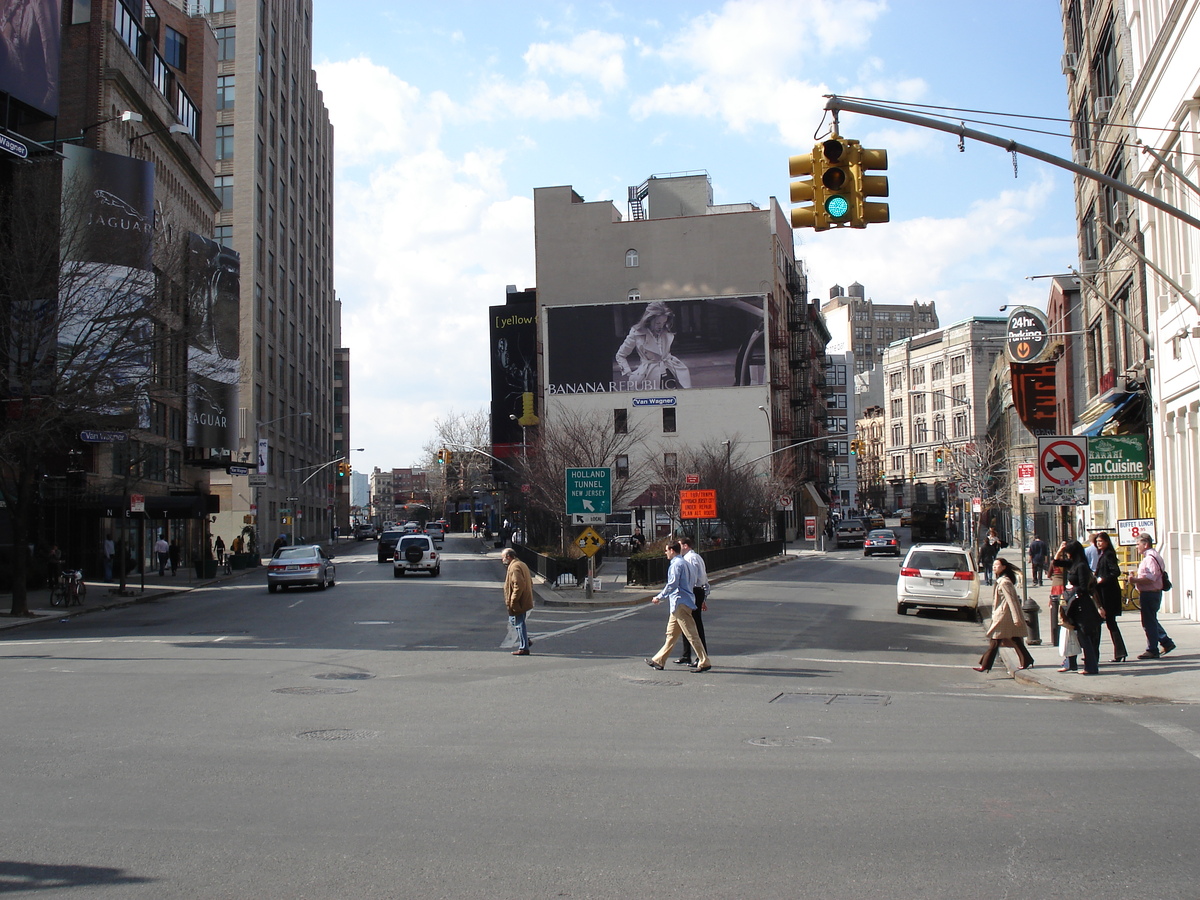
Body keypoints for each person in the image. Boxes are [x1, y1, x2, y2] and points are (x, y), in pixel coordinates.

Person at [645, 541, 710, 673]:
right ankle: (659, 660)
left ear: (672, 550)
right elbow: (693, 582)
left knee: (692, 634)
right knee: (671, 635)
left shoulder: (676, 564)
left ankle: (704, 661)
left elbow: (672, 584)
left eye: (666, 550)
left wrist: (659, 596)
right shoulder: (686, 563)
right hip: (681, 603)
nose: (665, 553)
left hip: (680, 603)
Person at [974, 557, 1035, 672]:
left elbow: (1012, 601)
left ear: (1003, 567)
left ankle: (985, 665)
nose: (994, 567)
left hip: (1004, 615)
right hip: (1004, 614)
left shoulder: (1005, 582)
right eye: (993, 565)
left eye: (996, 565)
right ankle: (1027, 660)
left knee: (995, 640)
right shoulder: (1001, 580)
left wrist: (1017, 618)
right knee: (1015, 638)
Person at [615, 301, 692, 390]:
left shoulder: (665, 330)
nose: (661, 326)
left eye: (664, 322)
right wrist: (628, 372)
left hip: (671, 371)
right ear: (649, 319)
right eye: (658, 323)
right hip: (648, 375)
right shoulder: (636, 333)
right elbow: (620, 355)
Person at [1128, 533, 1176, 660]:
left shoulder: (1150, 558)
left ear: (1146, 544)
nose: (1136, 547)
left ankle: (1152, 649)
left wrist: (1134, 580)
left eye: (1138, 544)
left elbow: (1151, 578)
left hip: (1150, 593)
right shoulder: (1151, 556)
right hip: (1151, 593)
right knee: (1151, 620)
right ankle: (1166, 642)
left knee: (1148, 622)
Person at [1062, 539, 1103, 675]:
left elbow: (1084, 587)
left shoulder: (1081, 566)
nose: (1067, 554)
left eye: (1068, 552)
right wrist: (1060, 550)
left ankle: (1091, 666)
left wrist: (1072, 589)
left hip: (1081, 605)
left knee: (1084, 635)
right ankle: (1074, 663)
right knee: (1076, 634)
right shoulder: (1073, 564)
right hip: (1075, 603)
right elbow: (1055, 563)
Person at [674, 537, 711, 667]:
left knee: (694, 625)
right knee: (686, 623)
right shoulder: (694, 557)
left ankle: (701, 656)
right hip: (695, 591)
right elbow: (704, 578)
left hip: (693, 591)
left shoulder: (691, 559)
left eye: (679, 545)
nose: (678, 548)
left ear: (685, 546)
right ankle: (686, 655)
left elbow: (694, 578)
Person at [1091, 531, 1127, 662]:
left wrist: (1102, 579)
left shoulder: (1109, 555)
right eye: (1097, 541)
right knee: (1110, 624)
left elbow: (1115, 572)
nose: (1099, 543)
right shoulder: (1102, 555)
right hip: (1104, 593)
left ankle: (1118, 652)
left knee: (1109, 623)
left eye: (1101, 541)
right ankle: (1119, 652)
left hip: (1109, 594)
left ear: (1106, 542)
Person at [500, 548, 534, 656]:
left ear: (509, 557)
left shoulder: (514, 567)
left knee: (519, 622)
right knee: (514, 621)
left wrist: (513, 600)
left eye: (503, 557)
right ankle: (526, 640)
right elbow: (530, 582)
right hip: (524, 598)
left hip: (519, 600)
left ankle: (524, 647)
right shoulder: (521, 564)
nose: (502, 560)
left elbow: (518, 585)